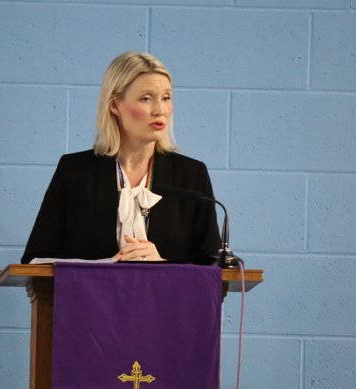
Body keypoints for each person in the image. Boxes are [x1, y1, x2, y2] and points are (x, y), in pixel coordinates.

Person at [21, 51, 221, 265]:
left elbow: (212, 266)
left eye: (166, 98)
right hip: (92, 289)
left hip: (167, 289)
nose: (160, 110)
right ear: (115, 105)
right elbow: (36, 258)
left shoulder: (191, 175)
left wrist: (163, 264)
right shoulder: (74, 171)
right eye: (146, 98)